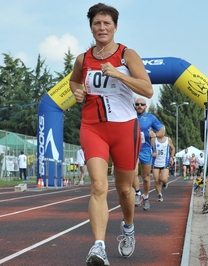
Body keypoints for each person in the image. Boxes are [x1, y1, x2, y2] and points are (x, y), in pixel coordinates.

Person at [69, 3, 153, 265]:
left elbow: (147, 90)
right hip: (93, 127)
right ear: (91, 27)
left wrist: (118, 74)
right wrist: (76, 91)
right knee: (97, 185)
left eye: (106, 23)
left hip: (124, 128)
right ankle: (98, 247)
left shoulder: (127, 55)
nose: (101, 28)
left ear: (115, 27)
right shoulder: (83, 58)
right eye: (97, 23)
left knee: (125, 189)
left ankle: (128, 228)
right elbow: (73, 81)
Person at [134, 97, 165, 211]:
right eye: (137, 104)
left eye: (142, 104)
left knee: (146, 177)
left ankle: (145, 196)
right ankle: (137, 193)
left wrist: (155, 135)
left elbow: (162, 130)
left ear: (145, 106)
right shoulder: (129, 116)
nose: (139, 106)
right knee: (133, 172)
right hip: (133, 149)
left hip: (146, 150)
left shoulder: (151, 118)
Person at [151, 128, 175, 202]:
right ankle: (159, 195)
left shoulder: (168, 140)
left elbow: (173, 148)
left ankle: (165, 183)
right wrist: (152, 153)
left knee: (163, 179)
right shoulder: (154, 139)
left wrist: (171, 157)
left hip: (165, 163)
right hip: (155, 163)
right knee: (156, 180)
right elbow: (149, 148)